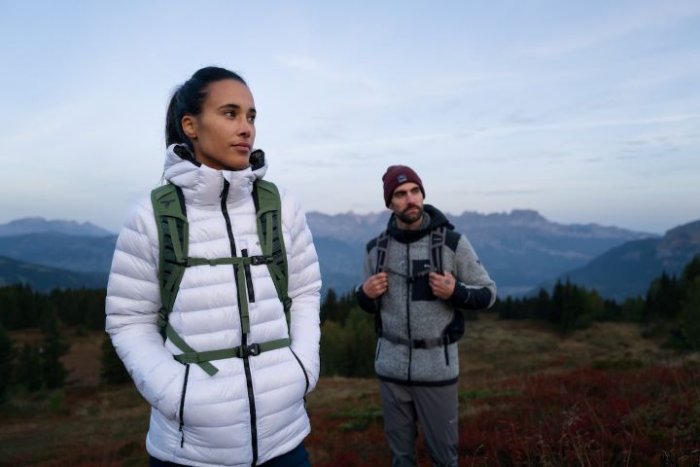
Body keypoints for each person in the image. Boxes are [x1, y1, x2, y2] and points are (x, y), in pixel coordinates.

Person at [105, 66, 321, 467]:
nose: (246, 128)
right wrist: (179, 396)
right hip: (190, 452)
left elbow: (305, 292)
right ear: (190, 125)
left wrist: (302, 370)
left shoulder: (281, 206)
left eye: (251, 116)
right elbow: (128, 320)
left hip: (284, 442)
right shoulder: (152, 215)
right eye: (230, 113)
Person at [355, 165, 496, 467]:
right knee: (401, 459)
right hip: (390, 371)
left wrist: (456, 291)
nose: (410, 199)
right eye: (401, 194)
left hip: (437, 372)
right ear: (389, 203)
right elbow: (368, 303)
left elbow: (488, 293)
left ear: (422, 194)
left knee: (444, 459)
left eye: (415, 191)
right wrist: (364, 294)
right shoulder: (375, 249)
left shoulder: (451, 243)